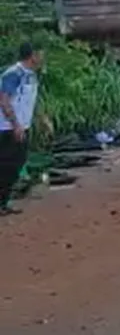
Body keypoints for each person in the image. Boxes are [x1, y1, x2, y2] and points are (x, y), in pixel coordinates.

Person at [0, 43, 50, 215]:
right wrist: (15, 125)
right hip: (7, 128)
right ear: (33, 55)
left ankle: (3, 202)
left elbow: (30, 100)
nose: (42, 58)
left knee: (15, 164)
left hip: (21, 126)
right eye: (40, 54)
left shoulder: (31, 75)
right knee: (8, 165)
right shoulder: (14, 74)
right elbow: (4, 100)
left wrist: (41, 118)